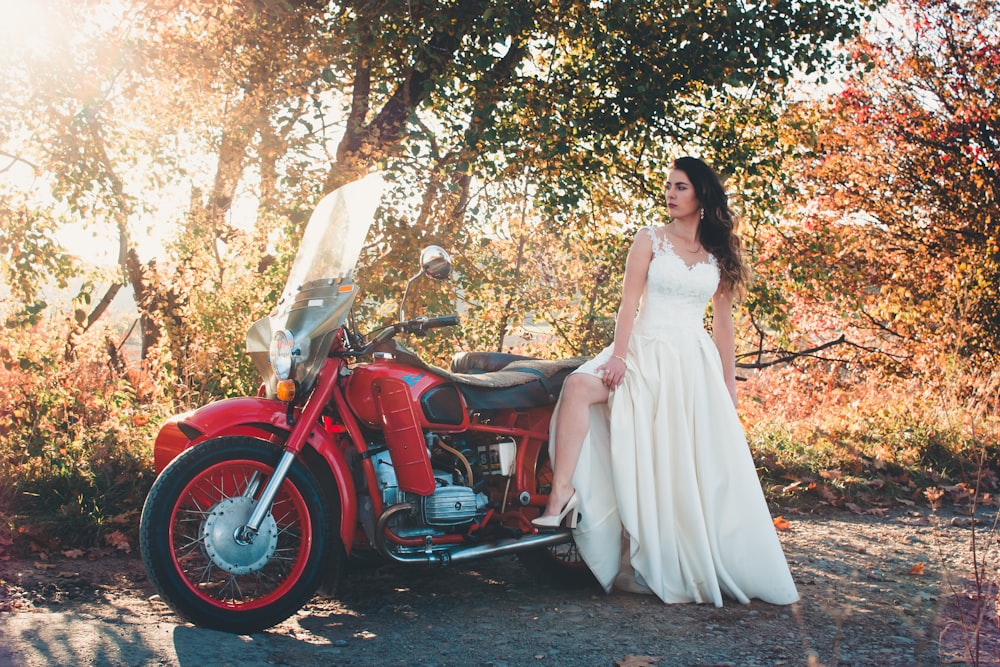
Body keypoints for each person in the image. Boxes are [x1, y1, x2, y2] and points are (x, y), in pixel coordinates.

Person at [532, 156, 798, 606]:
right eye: (669, 186)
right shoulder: (649, 239)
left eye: (680, 187)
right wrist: (617, 357)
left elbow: (724, 324)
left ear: (701, 196)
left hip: (691, 364)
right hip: (642, 350)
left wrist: (728, 389)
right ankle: (560, 494)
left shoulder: (719, 253)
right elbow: (627, 306)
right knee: (579, 386)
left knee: (680, 462)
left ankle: (678, 552)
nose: (671, 194)